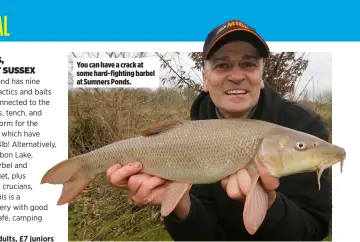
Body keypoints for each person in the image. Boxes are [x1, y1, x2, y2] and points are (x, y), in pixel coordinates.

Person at [106, 20, 331, 241]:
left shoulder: (302, 126)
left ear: (261, 76)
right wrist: (182, 205)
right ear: (205, 79)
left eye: (249, 64)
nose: (236, 76)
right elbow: (206, 236)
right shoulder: (190, 136)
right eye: (222, 65)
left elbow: (314, 230)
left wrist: (270, 203)